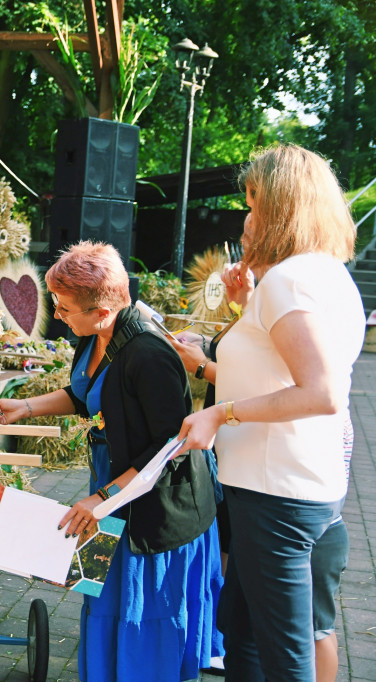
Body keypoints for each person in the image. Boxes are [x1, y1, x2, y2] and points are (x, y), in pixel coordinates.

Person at [0, 241, 222, 682]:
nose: (56, 314)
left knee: (135, 604)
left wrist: (102, 498)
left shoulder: (150, 356)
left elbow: (168, 447)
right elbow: (84, 395)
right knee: (98, 593)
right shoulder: (94, 336)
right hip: (112, 490)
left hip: (152, 507)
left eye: (64, 307)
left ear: (102, 312)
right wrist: (27, 406)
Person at [177, 144, 364, 682]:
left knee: (282, 657)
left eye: (255, 204)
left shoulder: (290, 282)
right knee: (245, 635)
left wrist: (220, 415)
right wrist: (245, 305)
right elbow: (274, 366)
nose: (247, 218)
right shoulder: (324, 275)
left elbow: (320, 391)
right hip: (297, 486)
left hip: (275, 495)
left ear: (283, 207)